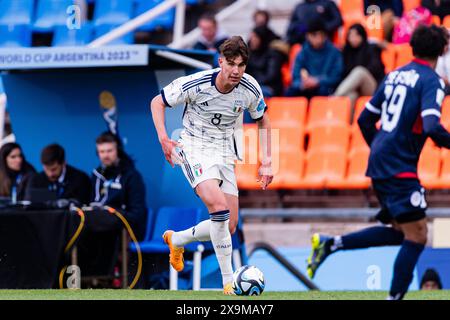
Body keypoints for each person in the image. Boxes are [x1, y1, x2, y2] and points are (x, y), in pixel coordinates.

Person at [306, 25, 450, 300]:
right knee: (418, 235)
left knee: (401, 233)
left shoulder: (395, 75)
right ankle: (393, 298)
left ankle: (331, 244)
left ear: (412, 47)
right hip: (398, 166)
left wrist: (382, 148)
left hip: (381, 160)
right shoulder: (431, 80)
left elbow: (364, 119)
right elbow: (432, 125)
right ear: (442, 50)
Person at [150, 36, 273, 294]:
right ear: (221, 62)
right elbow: (157, 102)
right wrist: (164, 139)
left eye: (241, 65)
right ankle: (228, 282)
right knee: (218, 208)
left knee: (228, 225)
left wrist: (268, 160)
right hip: (194, 148)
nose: (236, 70)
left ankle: (178, 238)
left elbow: (263, 118)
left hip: (226, 152)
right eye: (231, 64)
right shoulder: (197, 83)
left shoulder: (250, 88)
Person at [91, 132, 147, 239]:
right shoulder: (96, 175)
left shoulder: (131, 176)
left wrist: (112, 214)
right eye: (102, 152)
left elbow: (137, 214)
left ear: (118, 151)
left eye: (109, 151)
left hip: (126, 228)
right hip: (99, 226)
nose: (105, 155)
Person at [285, 19, 343, 98]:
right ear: (308, 36)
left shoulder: (334, 52)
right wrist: (302, 84)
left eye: (321, 35)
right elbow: (295, 75)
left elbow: (336, 76)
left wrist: (317, 81)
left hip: (325, 88)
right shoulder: (303, 52)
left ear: (325, 35)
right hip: (306, 87)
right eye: (314, 35)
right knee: (290, 92)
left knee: (323, 91)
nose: (318, 38)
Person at [334, 23, 385, 107]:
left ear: (362, 35)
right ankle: (348, 119)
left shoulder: (371, 48)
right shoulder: (346, 52)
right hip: (355, 88)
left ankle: (335, 96)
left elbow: (376, 69)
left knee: (359, 71)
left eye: (356, 35)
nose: (353, 39)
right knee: (351, 96)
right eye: (351, 36)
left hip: (372, 86)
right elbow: (343, 73)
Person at [26, 144, 92, 206]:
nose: (50, 174)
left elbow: (85, 205)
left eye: (53, 169)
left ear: (63, 163)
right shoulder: (36, 180)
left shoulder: (80, 179)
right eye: (46, 169)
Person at [246, 26, 288, 98]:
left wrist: (253, 82)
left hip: (270, 87)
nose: (252, 40)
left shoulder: (273, 54)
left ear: (262, 38)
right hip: (254, 85)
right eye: (251, 37)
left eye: (255, 37)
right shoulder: (249, 54)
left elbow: (271, 76)